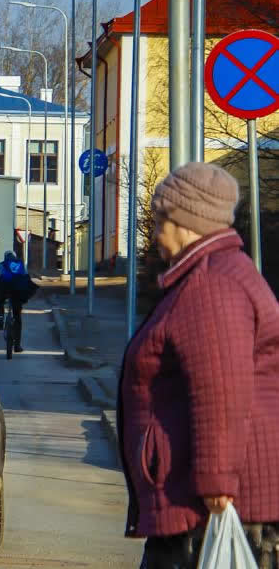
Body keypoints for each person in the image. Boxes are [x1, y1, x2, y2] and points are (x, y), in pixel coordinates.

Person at [119, 162, 279, 568]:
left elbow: (221, 390)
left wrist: (217, 482)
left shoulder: (211, 284)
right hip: (205, 497)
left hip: (209, 506)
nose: (155, 233)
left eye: (160, 220)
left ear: (185, 221)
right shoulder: (210, 275)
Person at [0, 250, 34, 353]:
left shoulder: (1, 265)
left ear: (5, 257)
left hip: (4, 291)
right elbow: (27, 280)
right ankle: (17, 346)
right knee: (17, 318)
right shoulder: (20, 266)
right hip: (17, 292)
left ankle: (0, 316)